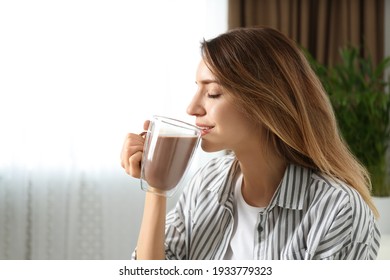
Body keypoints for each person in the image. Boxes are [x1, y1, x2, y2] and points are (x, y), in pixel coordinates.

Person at [120, 27, 381, 260]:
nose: (192, 108)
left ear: (264, 102)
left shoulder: (338, 210)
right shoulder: (207, 184)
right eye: (197, 89)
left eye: (212, 93)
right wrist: (157, 186)